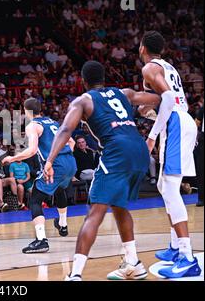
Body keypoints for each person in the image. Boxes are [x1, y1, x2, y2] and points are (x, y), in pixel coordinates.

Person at [43, 60, 161, 281]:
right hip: (140, 149)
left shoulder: (83, 101)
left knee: (94, 213)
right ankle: (133, 262)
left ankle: (75, 274)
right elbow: (157, 98)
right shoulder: (123, 93)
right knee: (119, 205)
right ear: (104, 78)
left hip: (117, 152)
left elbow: (66, 129)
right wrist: (147, 104)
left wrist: (49, 160)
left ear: (83, 81)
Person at [139, 31, 201, 278]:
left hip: (175, 123)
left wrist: (152, 135)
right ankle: (176, 247)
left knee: (171, 188)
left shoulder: (149, 69)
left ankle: (187, 257)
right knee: (165, 186)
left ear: (142, 47)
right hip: (180, 120)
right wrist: (151, 111)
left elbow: (167, 99)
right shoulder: (168, 66)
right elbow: (169, 100)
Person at [2, 98, 76, 253]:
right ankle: (62, 225)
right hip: (71, 162)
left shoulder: (33, 126)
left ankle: (41, 240)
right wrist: (65, 159)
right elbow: (72, 142)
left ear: (26, 111)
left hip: (56, 164)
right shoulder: (53, 122)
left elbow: (32, 151)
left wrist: (12, 158)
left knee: (35, 198)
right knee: (59, 189)